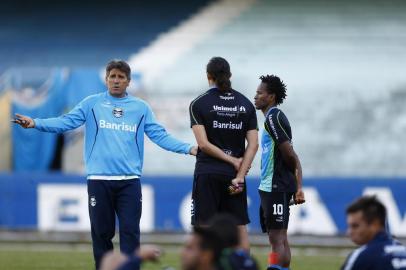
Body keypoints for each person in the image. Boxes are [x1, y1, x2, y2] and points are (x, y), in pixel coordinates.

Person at [13, 60, 197, 269]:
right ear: (106, 79)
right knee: (101, 235)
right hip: (99, 181)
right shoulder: (92, 103)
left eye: (121, 77)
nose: (116, 81)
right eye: (112, 77)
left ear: (128, 81)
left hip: (129, 182)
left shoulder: (140, 108)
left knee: (130, 234)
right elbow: (65, 121)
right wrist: (36, 122)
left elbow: (160, 136)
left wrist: (188, 148)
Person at [189, 56, 259, 250]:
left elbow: (203, 144)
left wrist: (231, 160)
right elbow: (253, 145)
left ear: (208, 76)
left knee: (204, 229)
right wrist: (240, 174)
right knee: (238, 227)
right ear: (230, 75)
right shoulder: (245, 103)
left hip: (208, 173)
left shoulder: (198, 103)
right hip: (233, 178)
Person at [253, 75, 305, 270]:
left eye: (260, 93)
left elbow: (291, 155)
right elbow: (292, 155)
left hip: (275, 184)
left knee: (276, 239)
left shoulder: (273, 118)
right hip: (276, 184)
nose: (255, 96)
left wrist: (299, 186)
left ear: (271, 97)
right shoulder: (273, 118)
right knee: (281, 238)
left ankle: (274, 268)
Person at [341, 196, 406, 270]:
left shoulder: (363, 256)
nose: (349, 232)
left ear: (375, 224)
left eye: (355, 226)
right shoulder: (402, 250)